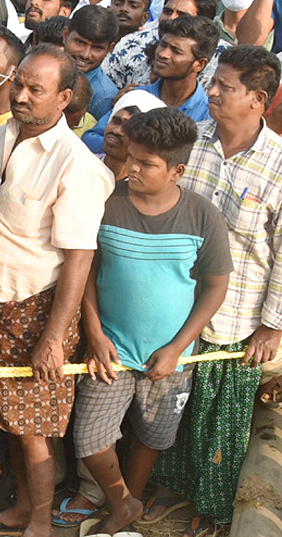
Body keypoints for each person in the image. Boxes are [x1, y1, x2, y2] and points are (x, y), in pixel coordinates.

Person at [0, 45, 115, 537]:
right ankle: (19, 509)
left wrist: (53, 338)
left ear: (65, 97)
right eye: (19, 84)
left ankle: (39, 522)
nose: (22, 96)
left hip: (35, 312)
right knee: (11, 422)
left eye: (37, 90)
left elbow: (79, 258)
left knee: (34, 431)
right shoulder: (4, 133)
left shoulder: (76, 166)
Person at [75, 108, 230, 536]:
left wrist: (178, 348)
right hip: (111, 350)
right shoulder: (107, 203)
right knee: (89, 437)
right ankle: (123, 503)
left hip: (169, 358)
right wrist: (94, 332)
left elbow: (215, 287)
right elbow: (85, 268)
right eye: (133, 157)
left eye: (146, 163)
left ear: (177, 170)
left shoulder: (202, 216)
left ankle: (131, 503)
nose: (133, 168)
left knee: (152, 436)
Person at [152, 46, 282, 529]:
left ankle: (212, 509)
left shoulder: (279, 165)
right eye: (214, 83)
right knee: (169, 408)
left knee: (220, 420)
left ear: (258, 99)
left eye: (225, 87)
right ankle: (167, 489)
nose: (211, 92)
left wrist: (272, 325)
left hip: (240, 317)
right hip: (173, 305)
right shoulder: (190, 142)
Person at [144, 14, 220, 122]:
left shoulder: (208, 115)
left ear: (199, 64)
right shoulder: (134, 98)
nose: (163, 54)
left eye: (176, 51)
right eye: (163, 45)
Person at [63, 5, 120, 119]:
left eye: (97, 48)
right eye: (80, 42)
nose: (85, 54)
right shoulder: (45, 68)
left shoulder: (103, 97)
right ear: (65, 36)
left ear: (110, 49)